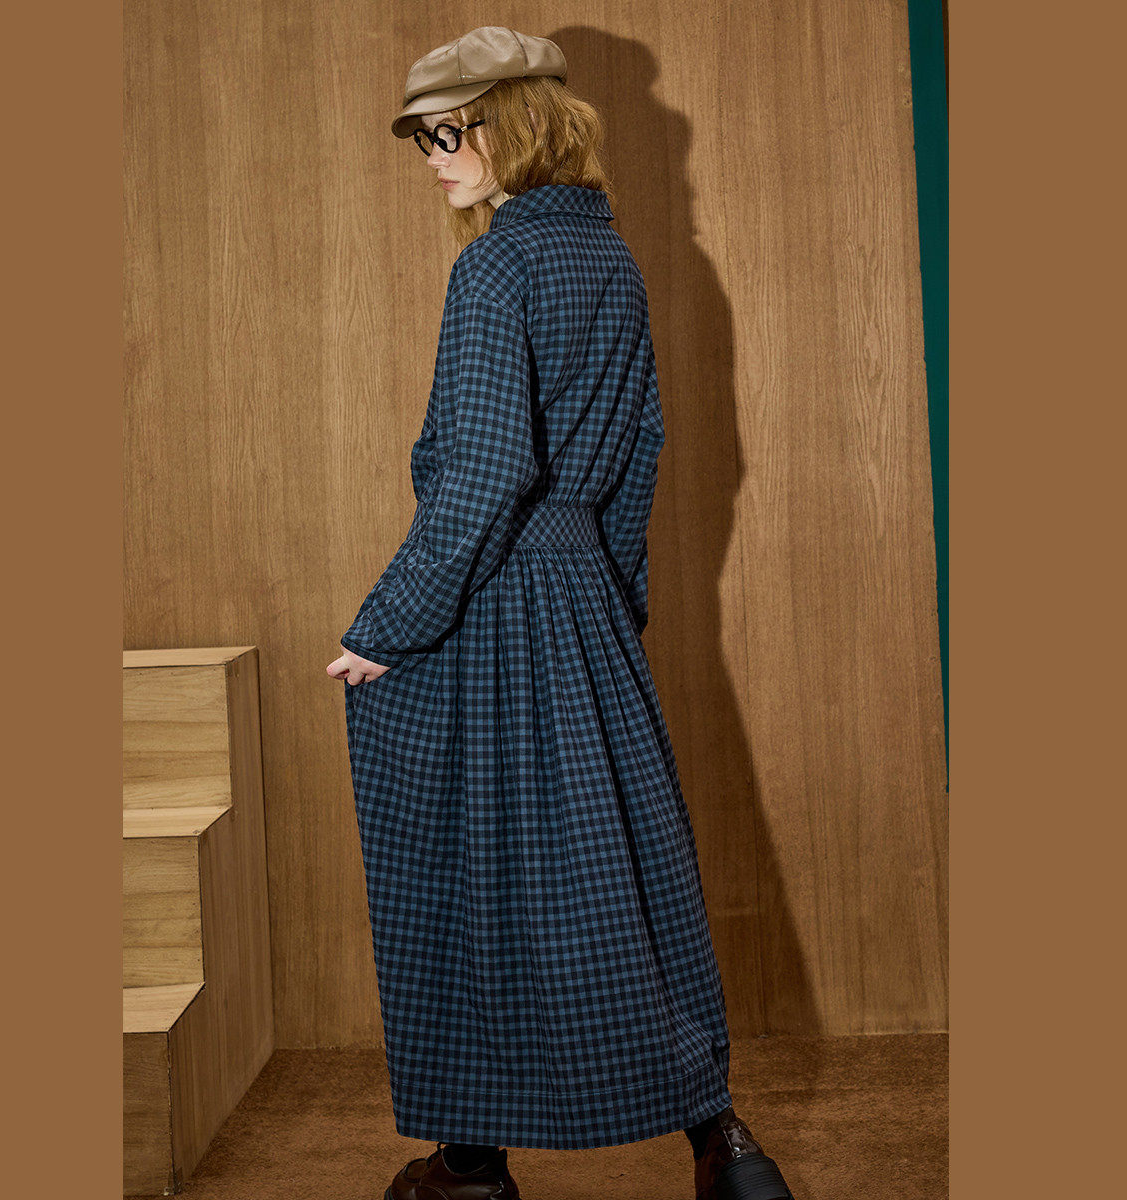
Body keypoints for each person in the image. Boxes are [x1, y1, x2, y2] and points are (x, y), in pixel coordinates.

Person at [325, 26, 795, 1200]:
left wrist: (386, 626)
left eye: (452, 131)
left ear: (516, 124)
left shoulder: (496, 269)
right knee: (620, 868)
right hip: (581, 595)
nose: (436, 158)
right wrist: (611, 606)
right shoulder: (613, 261)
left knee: (470, 867)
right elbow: (638, 457)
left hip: (495, 599)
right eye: (424, 139)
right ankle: (722, 1149)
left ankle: (472, 1166)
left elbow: (487, 471)